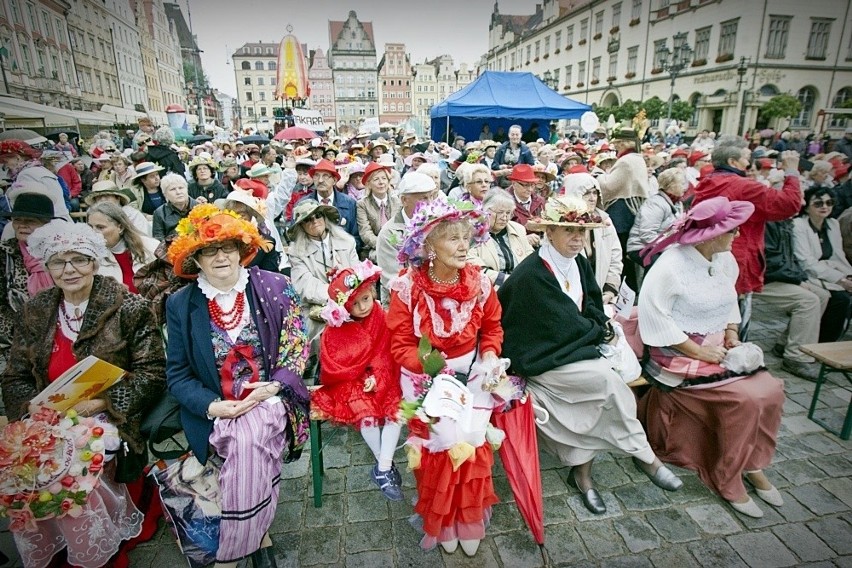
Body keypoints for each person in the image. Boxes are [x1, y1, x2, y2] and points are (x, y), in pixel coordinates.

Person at [498, 195, 682, 516]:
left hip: (576, 351)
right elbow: (559, 328)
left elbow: (592, 308)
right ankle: (645, 457)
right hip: (542, 359)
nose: (578, 239)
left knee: (599, 395)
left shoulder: (578, 262)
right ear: (548, 232)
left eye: (582, 233)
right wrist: (599, 331)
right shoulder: (531, 275)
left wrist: (600, 328)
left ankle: (582, 476)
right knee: (608, 386)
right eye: (569, 230)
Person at [2, 221, 166, 566]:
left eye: (79, 259)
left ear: (94, 262)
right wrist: (31, 407)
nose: (69, 269)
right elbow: (15, 374)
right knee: (25, 463)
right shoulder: (36, 311)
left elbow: (153, 372)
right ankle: (55, 544)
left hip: (107, 413)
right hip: (47, 415)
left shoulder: (127, 306)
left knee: (70, 464)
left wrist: (104, 401)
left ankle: (92, 550)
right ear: (47, 268)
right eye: (59, 262)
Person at [165, 204, 309, 568]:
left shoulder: (275, 286)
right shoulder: (180, 304)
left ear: (241, 250)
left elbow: (297, 348)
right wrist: (215, 406)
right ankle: (258, 534)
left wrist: (273, 388)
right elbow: (178, 376)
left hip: (272, 397)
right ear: (195, 259)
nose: (220, 257)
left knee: (247, 437)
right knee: (248, 440)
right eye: (209, 250)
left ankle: (233, 551)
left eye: (228, 247)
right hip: (217, 407)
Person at [637, 196, 786, 518]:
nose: (738, 235)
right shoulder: (669, 266)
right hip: (675, 355)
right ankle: (727, 475)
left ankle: (752, 463)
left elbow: (728, 302)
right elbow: (655, 321)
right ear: (710, 234)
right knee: (744, 400)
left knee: (772, 391)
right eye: (732, 230)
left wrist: (731, 334)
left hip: (718, 349)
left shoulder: (725, 259)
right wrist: (699, 351)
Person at [386, 199, 503, 556]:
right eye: (452, 238)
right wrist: (432, 369)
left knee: (473, 441)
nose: (463, 246)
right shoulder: (407, 287)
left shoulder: (481, 282)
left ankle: (466, 519)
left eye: (466, 238)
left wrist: (489, 356)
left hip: (472, 374)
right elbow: (400, 343)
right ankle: (443, 521)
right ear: (428, 246)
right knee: (443, 441)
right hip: (425, 377)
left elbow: (493, 327)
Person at [692, 137, 802, 340]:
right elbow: (789, 204)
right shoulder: (744, 187)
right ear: (733, 162)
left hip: (711, 255)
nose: (750, 165)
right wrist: (792, 172)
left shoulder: (709, 182)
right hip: (739, 261)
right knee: (735, 320)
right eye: (747, 159)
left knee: (713, 320)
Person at [311, 261, 404, 500]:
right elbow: (335, 365)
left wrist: (377, 375)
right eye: (354, 303)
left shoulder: (380, 317)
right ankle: (384, 462)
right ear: (343, 307)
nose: (363, 307)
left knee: (396, 412)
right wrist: (363, 377)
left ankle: (383, 468)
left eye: (366, 299)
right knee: (367, 416)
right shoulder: (335, 329)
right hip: (350, 383)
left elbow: (387, 351)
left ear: (372, 293)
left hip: (383, 377)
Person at [756, 219, 827, 381]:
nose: (800, 203)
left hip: (778, 276)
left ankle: (784, 344)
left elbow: (791, 260)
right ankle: (795, 358)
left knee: (822, 295)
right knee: (808, 301)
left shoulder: (785, 223)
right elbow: (770, 262)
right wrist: (797, 280)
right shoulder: (769, 224)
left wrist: (801, 278)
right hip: (760, 279)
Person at [288, 199, 359, 339]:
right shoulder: (296, 252)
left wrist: (348, 299)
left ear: (325, 217)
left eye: (318, 215)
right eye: (308, 219)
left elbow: (357, 274)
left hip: (352, 302)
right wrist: (337, 296)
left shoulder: (347, 242)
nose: (314, 221)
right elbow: (305, 286)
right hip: (317, 310)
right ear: (301, 226)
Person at [792, 187, 852, 342]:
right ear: (806, 207)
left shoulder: (832, 224)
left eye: (829, 202)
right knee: (840, 299)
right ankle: (824, 344)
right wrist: (840, 280)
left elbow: (838, 255)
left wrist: (847, 275)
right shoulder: (798, 225)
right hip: (804, 273)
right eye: (818, 203)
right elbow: (806, 261)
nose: (825, 206)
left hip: (827, 271)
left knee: (843, 296)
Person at [596, 127, 650, 291]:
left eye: (617, 144)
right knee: (626, 254)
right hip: (631, 209)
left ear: (624, 143)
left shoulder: (626, 161)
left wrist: (599, 176)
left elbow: (610, 185)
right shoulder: (637, 158)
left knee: (619, 253)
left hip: (622, 211)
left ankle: (624, 289)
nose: (616, 147)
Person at [375, 171, 439, 302]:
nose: (430, 202)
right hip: (404, 303)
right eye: (423, 198)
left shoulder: (438, 223)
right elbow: (394, 281)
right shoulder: (389, 233)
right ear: (404, 200)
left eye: (432, 196)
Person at [563, 170, 623, 302]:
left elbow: (615, 256)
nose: (592, 198)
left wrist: (610, 289)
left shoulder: (605, 221)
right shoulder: (560, 224)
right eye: (586, 193)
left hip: (601, 295)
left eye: (595, 193)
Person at [468, 188, 533, 290]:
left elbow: (531, 258)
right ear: (486, 211)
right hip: (491, 288)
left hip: (522, 285)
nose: (504, 217)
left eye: (508, 213)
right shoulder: (473, 232)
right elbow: (475, 268)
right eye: (500, 212)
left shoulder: (518, 229)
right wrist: (511, 281)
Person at [87, 201, 159, 293]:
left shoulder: (151, 247)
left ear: (120, 227)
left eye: (100, 227)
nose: (93, 233)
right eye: (90, 227)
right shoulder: (90, 258)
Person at [627, 168, 686, 270]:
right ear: (670, 186)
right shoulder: (656, 203)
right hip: (640, 247)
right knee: (664, 267)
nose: (684, 187)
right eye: (681, 183)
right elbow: (646, 234)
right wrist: (670, 248)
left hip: (659, 247)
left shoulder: (677, 203)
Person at [298, 159, 361, 248]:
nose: (320, 180)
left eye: (325, 176)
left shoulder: (349, 203)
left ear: (335, 180)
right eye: (316, 176)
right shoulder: (303, 204)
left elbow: (356, 237)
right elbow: (297, 237)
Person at [356, 162, 401, 263]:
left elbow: (400, 226)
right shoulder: (362, 204)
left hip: (396, 245)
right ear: (368, 184)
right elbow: (365, 232)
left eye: (384, 178)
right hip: (373, 248)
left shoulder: (397, 202)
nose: (381, 182)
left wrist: (396, 244)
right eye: (376, 179)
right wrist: (384, 245)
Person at [506, 164, 545, 244]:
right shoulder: (504, 202)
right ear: (514, 184)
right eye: (525, 185)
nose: (530, 189)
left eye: (532, 185)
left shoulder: (540, 201)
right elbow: (500, 232)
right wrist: (523, 239)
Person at [153, 173, 198, 241]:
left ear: (187, 189)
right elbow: (158, 239)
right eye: (173, 189)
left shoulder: (200, 207)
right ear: (165, 194)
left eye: (181, 188)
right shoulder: (159, 213)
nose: (178, 192)